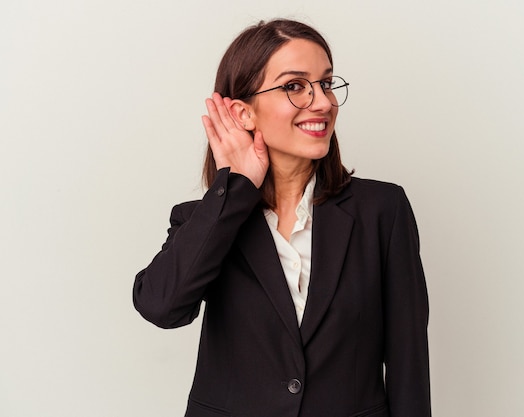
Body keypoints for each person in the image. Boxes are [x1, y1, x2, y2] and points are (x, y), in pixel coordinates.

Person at [133, 18, 431, 417]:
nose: (323, 102)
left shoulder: (382, 210)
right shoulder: (207, 220)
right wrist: (235, 190)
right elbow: (160, 307)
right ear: (243, 113)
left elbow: (408, 362)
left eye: (326, 83)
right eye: (295, 86)